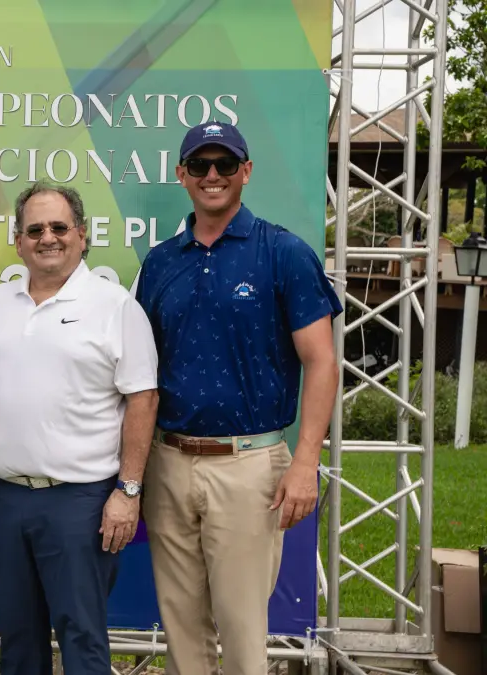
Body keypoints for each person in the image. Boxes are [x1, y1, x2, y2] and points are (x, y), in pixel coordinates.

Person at [134, 122, 342, 675]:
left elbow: (322, 362)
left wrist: (305, 463)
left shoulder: (284, 253)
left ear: (245, 172)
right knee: (180, 629)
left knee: (243, 632)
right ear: (181, 175)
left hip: (250, 466)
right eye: (199, 165)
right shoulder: (159, 262)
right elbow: (141, 374)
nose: (212, 176)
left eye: (225, 164)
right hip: (169, 462)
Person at [0, 182, 159, 674]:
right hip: (4, 497)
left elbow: (143, 399)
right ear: (18, 240)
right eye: (35, 229)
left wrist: (128, 490)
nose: (48, 238)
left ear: (82, 236)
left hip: (80, 500)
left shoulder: (115, 306)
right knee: (16, 636)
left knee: (82, 636)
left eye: (60, 227)